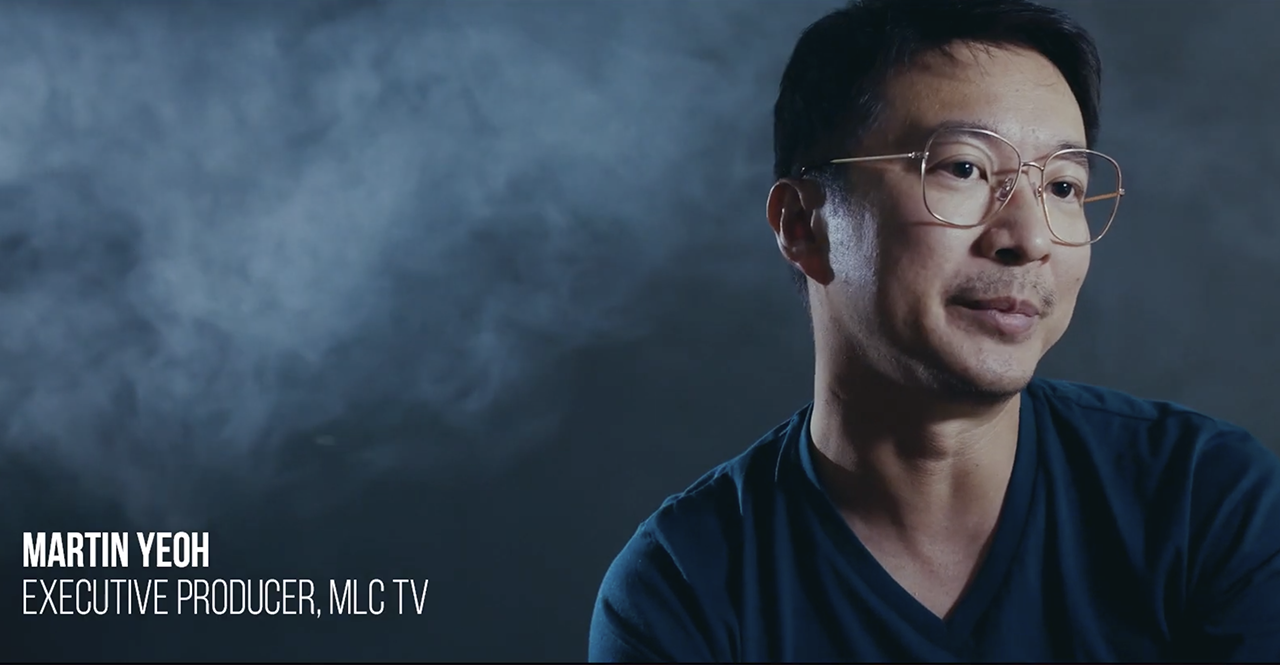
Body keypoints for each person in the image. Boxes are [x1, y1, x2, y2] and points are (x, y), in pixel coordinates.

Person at [588, 0, 1280, 661]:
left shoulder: (1204, 501)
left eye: (1063, 186)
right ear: (802, 226)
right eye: (963, 168)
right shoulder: (684, 590)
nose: (1029, 238)